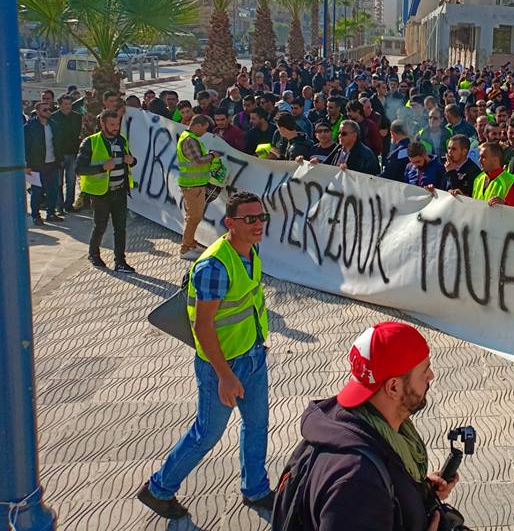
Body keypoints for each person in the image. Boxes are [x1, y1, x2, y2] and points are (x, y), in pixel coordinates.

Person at [138, 192, 273, 519]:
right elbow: (203, 326)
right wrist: (225, 375)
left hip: (252, 354)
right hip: (222, 366)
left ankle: (255, 489)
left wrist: (258, 345)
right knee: (206, 434)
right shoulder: (214, 265)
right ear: (230, 223)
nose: (258, 224)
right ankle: (158, 489)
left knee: (257, 425)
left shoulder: (250, 250)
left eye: (261, 217)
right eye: (249, 219)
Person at [274, 322, 458, 530]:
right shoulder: (356, 485)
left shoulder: (353, 419)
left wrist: (419, 491)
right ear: (393, 387)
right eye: (424, 370)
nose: (431, 376)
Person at [77, 110, 136, 272]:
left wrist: (132, 161)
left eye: (117, 124)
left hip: (120, 190)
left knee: (120, 228)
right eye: (112, 124)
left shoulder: (121, 140)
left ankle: (120, 261)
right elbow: (79, 169)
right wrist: (102, 167)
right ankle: (94, 254)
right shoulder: (91, 142)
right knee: (100, 226)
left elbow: (131, 160)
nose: (115, 127)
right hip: (101, 193)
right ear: (102, 124)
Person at [177, 114, 221, 261]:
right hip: (193, 185)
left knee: (192, 216)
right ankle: (185, 248)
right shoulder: (190, 140)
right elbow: (198, 161)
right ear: (198, 125)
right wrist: (212, 156)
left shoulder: (187, 137)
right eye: (204, 129)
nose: (204, 132)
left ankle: (190, 244)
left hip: (192, 184)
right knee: (194, 217)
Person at [24, 100, 61, 225]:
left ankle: (51, 213)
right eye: (45, 110)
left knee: (53, 190)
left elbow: (57, 144)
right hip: (36, 165)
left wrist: (59, 160)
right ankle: (36, 216)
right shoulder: (30, 127)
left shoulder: (54, 125)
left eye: (49, 109)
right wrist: (27, 165)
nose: (48, 112)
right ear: (38, 111)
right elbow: (26, 147)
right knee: (37, 191)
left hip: (52, 163)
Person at [454, 141, 514, 207]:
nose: (479, 160)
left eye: (483, 157)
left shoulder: (509, 180)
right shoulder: (479, 178)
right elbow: (474, 204)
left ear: (495, 160)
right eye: (479, 157)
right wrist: (462, 197)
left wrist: (504, 204)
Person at [50, 93, 83, 215]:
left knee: (71, 181)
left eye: (69, 104)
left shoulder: (77, 117)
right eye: (65, 104)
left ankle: (69, 205)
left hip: (73, 153)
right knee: (58, 182)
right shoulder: (53, 117)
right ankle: (59, 207)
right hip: (59, 154)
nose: (68, 106)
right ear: (60, 105)